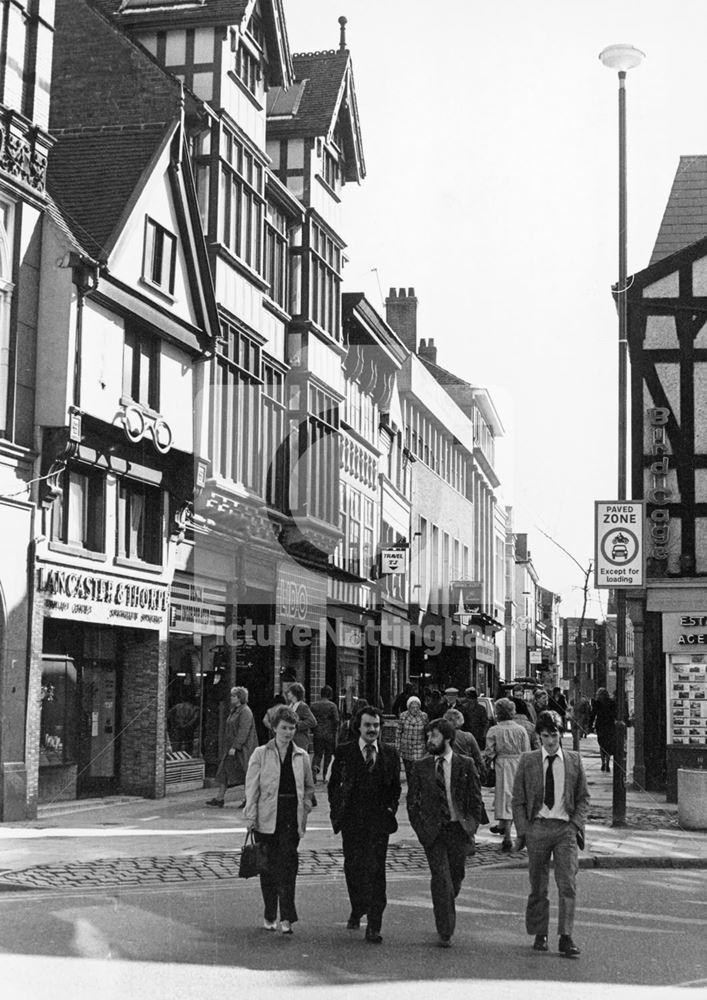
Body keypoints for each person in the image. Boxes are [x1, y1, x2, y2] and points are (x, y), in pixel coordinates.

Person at [512, 710, 590, 959]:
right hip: (538, 828)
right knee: (538, 885)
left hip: (564, 829)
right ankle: (539, 933)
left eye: (554, 735)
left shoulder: (574, 760)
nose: (550, 741)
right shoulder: (528, 761)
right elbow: (518, 800)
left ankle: (566, 937)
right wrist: (525, 830)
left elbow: (583, 798)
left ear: (561, 735)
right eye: (545, 736)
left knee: (567, 884)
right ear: (538, 737)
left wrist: (575, 825)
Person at [328, 704, 401, 944]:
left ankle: (374, 923)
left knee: (376, 870)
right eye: (368, 725)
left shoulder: (390, 753)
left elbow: (395, 788)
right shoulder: (344, 752)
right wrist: (336, 810)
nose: (372, 730)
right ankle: (357, 906)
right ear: (358, 727)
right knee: (354, 867)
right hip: (352, 820)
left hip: (379, 822)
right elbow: (333, 785)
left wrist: (391, 807)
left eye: (376, 725)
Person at [407, 719, 483, 948]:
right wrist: (421, 830)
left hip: (457, 830)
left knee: (455, 878)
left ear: (447, 738)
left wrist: (471, 825)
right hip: (434, 832)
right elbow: (412, 803)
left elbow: (475, 799)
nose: (429, 741)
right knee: (441, 879)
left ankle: (445, 903)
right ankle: (445, 929)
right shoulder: (421, 767)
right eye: (428, 736)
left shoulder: (465, 764)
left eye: (434, 736)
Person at [244, 706, 315, 935]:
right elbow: (251, 788)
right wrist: (251, 816)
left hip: (290, 818)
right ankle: (269, 912)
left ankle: (287, 917)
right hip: (266, 818)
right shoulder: (260, 754)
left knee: (288, 867)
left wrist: (304, 811)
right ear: (274, 728)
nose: (288, 732)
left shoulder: (301, 756)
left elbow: (309, 788)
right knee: (268, 868)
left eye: (292, 728)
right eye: (284, 728)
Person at [484, 697, 530, 851]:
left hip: (502, 764)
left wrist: (486, 763)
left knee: (504, 797)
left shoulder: (494, 730)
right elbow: (527, 751)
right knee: (518, 798)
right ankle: (518, 833)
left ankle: (507, 835)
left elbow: (489, 752)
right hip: (519, 763)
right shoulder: (521, 730)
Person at [206, 686, 258, 808]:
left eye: (233, 696)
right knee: (224, 771)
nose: (231, 698)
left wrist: (236, 746)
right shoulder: (234, 710)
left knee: (246, 773)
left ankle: (248, 799)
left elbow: (243, 731)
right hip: (231, 748)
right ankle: (220, 798)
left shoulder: (245, 711)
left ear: (240, 697)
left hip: (242, 749)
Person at [310, 685, 339, 782]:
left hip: (317, 733)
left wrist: (314, 729)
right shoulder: (332, 706)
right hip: (329, 733)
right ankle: (325, 775)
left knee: (317, 754)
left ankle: (315, 767)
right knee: (328, 755)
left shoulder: (314, 706)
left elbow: (311, 720)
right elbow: (336, 720)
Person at [396, 696, 429, 783]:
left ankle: (417, 792)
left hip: (419, 748)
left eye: (417, 707)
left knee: (418, 772)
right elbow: (399, 732)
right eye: (412, 707)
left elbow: (427, 733)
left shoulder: (424, 716)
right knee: (409, 772)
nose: (415, 709)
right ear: (408, 707)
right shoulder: (403, 716)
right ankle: (411, 792)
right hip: (406, 748)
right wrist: (397, 747)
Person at [589, 687, 616, 772]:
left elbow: (593, 714)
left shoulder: (597, 703)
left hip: (600, 726)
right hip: (610, 725)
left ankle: (603, 762)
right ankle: (607, 763)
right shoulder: (611, 703)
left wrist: (590, 725)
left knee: (602, 745)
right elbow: (615, 714)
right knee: (608, 745)